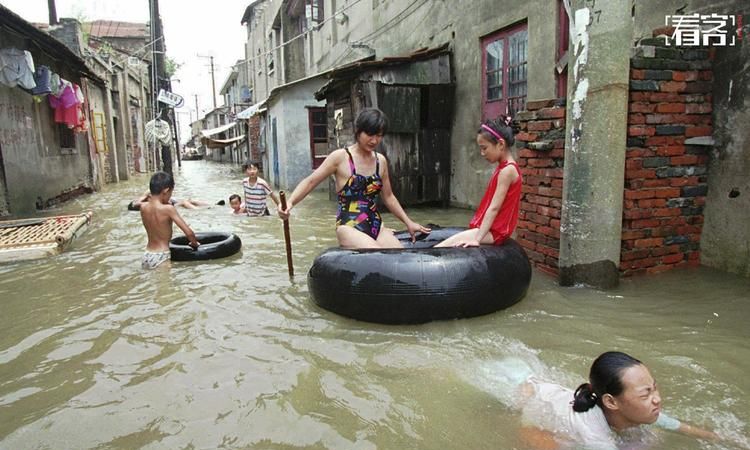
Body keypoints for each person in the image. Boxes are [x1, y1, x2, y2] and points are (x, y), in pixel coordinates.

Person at [489, 352, 725, 449]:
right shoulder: (595, 439)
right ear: (611, 402)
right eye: (646, 394)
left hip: (552, 393)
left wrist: (721, 439)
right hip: (531, 397)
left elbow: (678, 426)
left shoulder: (638, 409)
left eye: (654, 390)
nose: (657, 400)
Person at [278, 107, 430, 248]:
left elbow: (389, 197)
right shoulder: (340, 157)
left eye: (379, 135)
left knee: (400, 257)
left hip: (375, 224)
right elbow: (310, 182)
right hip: (349, 226)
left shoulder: (380, 161)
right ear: (358, 131)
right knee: (379, 258)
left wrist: (408, 222)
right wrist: (290, 202)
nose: (374, 140)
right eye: (370, 134)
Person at [435, 115, 521, 248]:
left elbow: (494, 208)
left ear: (500, 144)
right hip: (494, 230)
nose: (482, 153)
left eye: (484, 148)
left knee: (443, 246)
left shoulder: (507, 171)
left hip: (495, 232)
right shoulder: (505, 167)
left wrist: (478, 239)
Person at [139, 171, 199, 269]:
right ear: (166, 191)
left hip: (147, 254)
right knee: (165, 284)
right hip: (161, 255)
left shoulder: (143, 207)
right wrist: (194, 243)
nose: (170, 196)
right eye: (170, 193)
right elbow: (189, 233)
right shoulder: (168, 209)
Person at [128, 191, 211, 211]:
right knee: (184, 202)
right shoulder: (147, 194)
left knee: (191, 200)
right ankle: (198, 210)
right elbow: (137, 203)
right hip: (169, 204)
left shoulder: (158, 190)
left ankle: (211, 205)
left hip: (172, 202)